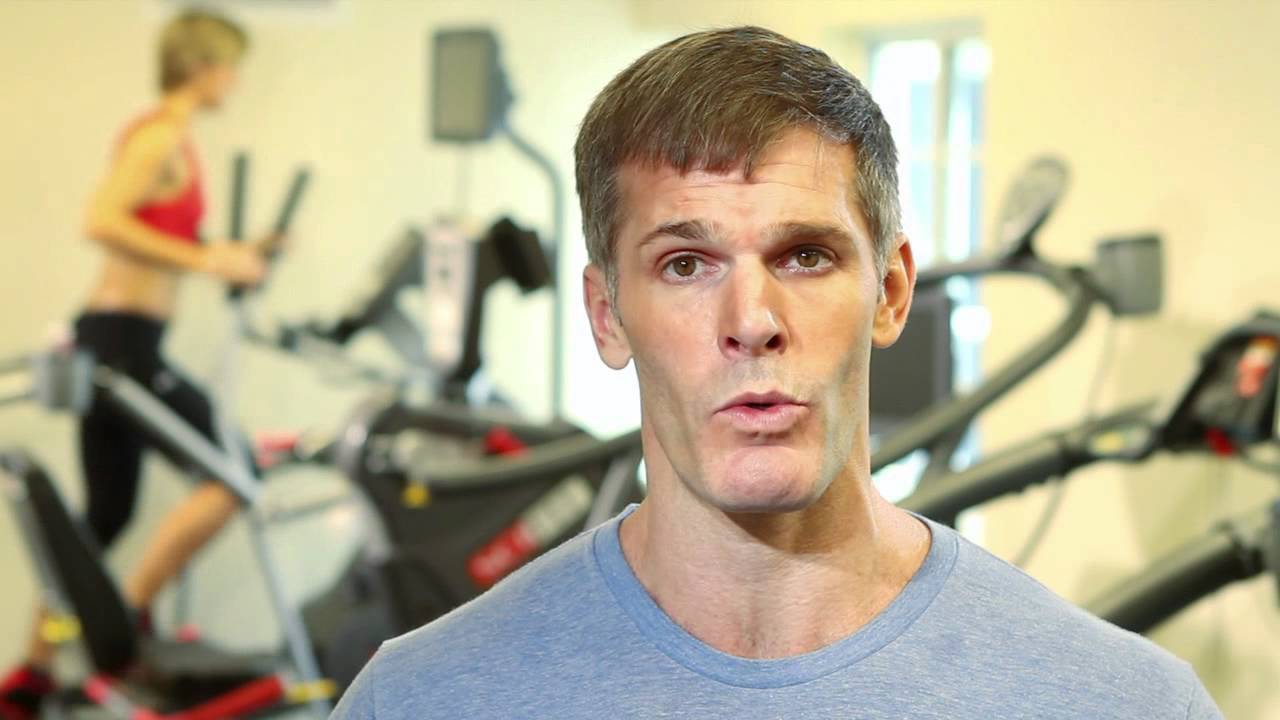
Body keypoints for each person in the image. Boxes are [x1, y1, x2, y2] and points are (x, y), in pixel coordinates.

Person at [331, 26, 1221, 719]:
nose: (752, 321)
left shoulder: (1125, 705)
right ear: (607, 314)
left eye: (804, 256)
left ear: (891, 292)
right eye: (686, 264)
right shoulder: (420, 701)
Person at [0, 10, 268, 719]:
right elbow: (101, 218)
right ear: (203, 65)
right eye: (231, 66)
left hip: (118, 341)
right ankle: (127, 619)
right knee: (234, 471)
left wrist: (238, 252)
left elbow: (162, 237)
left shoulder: (169, 138)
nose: (236, 81)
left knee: (105, 517)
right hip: (121, 344)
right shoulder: (159, 139)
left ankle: (28, 678)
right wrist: (208, 258)